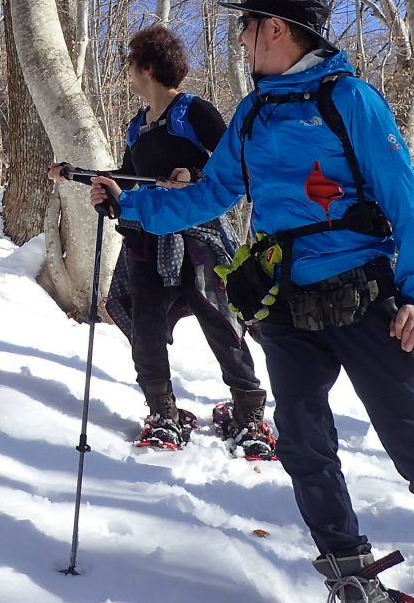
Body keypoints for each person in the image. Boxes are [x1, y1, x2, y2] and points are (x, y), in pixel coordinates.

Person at [89, 0, 414, 603]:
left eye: (247, 26)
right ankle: (353, 584)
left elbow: (406, 197)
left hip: (367, 300)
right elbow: (210, 195)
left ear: (276, 30)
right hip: (288, 310)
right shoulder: (253, 115)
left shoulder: (348, 100)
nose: (239, 38)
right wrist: (129, 205)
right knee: (303, 445)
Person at [55, 26, 275, 457]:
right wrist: (81, 176)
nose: (130, 75)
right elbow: (124, 176)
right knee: (148, 326)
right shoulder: (137, 127)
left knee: (219, 320)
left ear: (147, 68)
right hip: (147, 239)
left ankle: (248, 411)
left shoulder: (194, 111)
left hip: (200, 237)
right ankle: (163, 412)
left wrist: (193, 176)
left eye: (132, 66)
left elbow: (234, 164)